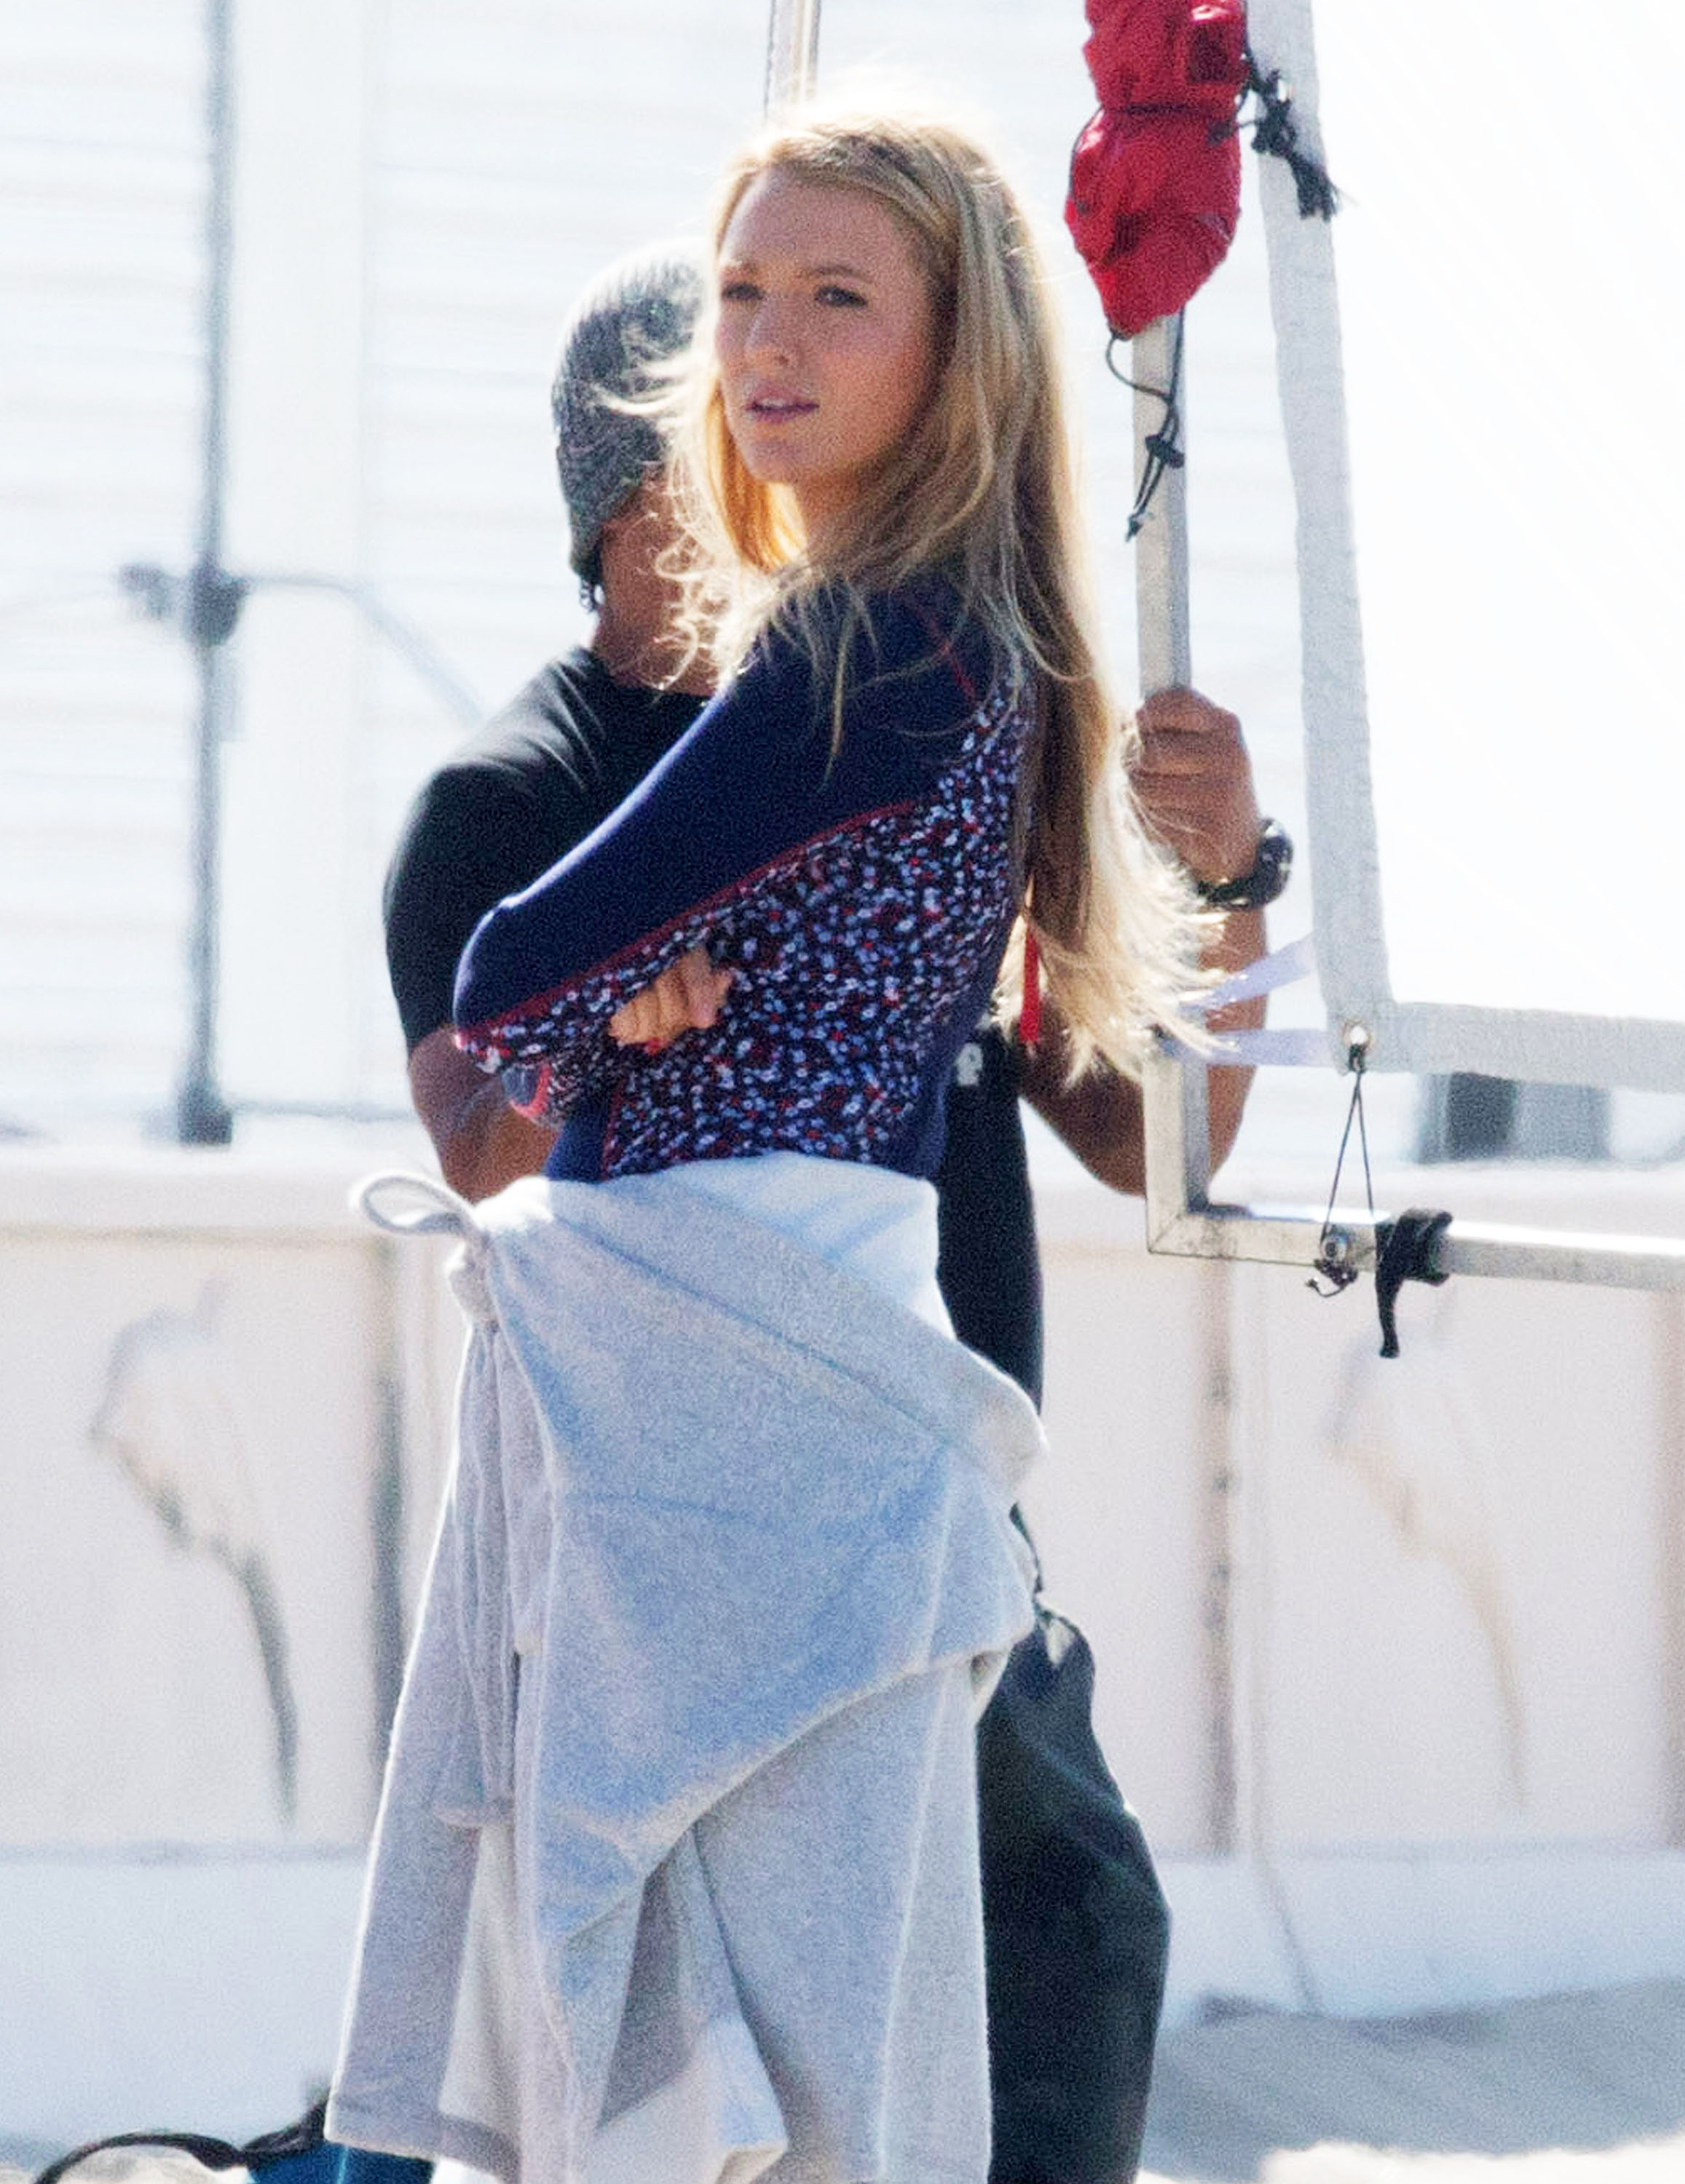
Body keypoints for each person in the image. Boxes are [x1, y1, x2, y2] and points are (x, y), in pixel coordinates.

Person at [339, 106, 1275, 2184]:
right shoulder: (535, 784)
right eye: (740, 312)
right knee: (753, 2074)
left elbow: (1147, 1135)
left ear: (941, 365)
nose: (763, 360)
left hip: (905, 1485)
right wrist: (607, 1015)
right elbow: (479, 1107)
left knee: (1016, 1966)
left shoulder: (904, 684)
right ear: (627, 486)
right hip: (708, 1471)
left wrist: (1231, 888)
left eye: (830, 306)